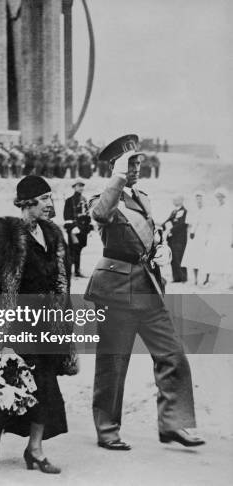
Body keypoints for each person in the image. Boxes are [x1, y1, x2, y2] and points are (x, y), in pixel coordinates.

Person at [85, 134, 204, 450]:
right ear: (116, 166)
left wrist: (160, 249)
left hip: (146, 286)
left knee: (172, 353)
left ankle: (173, 424)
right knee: (113, 363)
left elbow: (147, 237)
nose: (138, 167)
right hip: (115, 290)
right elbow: (100, 216)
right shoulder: (102, 196)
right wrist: (118, 177)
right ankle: (107, 429)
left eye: (138, 161)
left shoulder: (143, 197)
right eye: (131, 162)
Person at [0, 176, 74, 474]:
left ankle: (34, 450)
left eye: (52, 198)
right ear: (27, 203)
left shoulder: (53, 235)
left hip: (46, 323)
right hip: (16, 323)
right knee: (18, 386)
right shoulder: (4, 236)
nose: (51, 204)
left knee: (47, 387)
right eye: (45, 199)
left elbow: (61, 280)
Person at [202, 187, 233, 288]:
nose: (219, 199)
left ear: (225, 198)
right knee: (210, 256)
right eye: (218, 197)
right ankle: (207, 280)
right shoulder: (214, 209)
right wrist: (207, 237)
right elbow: (210, 224)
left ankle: (228, 282)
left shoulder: (229, 209)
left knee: (226, 258)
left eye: (221, 197)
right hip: (214, 236)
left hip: (226, 237)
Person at [63, 180, 92, 278]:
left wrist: (89, 226)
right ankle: (69, 271)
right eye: (79, 186)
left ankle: (76, 271)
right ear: (74, 187)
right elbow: (66, 216)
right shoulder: (69, 200)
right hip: (74, 230)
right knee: (72, 250)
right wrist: (72, 227)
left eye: (82, 186)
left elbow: (87, 214)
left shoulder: (84, 199)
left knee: (79, 249)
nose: (81, 188)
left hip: (83, 229)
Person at [182, 191, 208, 285]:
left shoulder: (207, 210)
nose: (199, 200)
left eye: (200, 198)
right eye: (197, 198)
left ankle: (206, 278)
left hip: (204, 234)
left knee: (205, 256)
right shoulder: (192, 210)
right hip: (194, 235)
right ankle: (196, 279)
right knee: (194, 256)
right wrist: (191, 232)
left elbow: (209, 223)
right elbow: (188, 223)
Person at [161, 196, 188, 282]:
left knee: (180, 257)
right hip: (171, 238)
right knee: (173, 258)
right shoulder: (174, 212)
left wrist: (170, 230)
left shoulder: (184, 211)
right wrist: (163, 226)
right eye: (174, 199)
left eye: (176, 199)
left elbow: (182, 224)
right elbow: (167, 221)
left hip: (180, 239)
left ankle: (183, 278)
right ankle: (176, 278)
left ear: (181, 200)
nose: (174, 201)